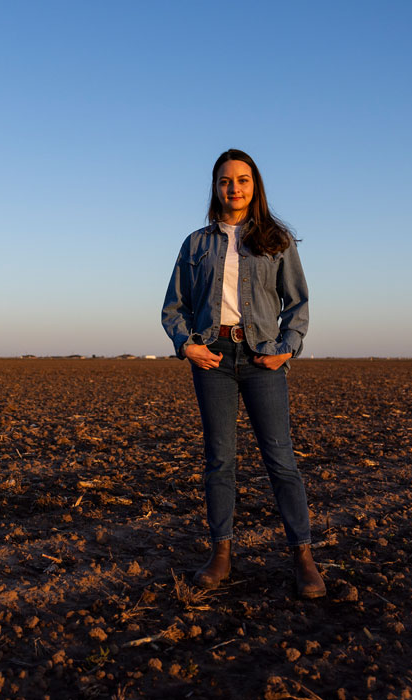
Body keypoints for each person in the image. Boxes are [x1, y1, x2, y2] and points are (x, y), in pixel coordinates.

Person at [161, 148, 326, 598]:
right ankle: (221, 554)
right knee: (220, 460)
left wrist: (286, 349)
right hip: (213, 360)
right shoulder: (196, 243)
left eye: (242, 180)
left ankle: (303, 556)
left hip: (261, 360)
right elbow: (173, 307)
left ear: (255, 187)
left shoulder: (276, 241)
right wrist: (187, 345)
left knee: (281, 459)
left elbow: (298, 304)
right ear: (215, 187)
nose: (234, 188)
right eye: (225, 181)